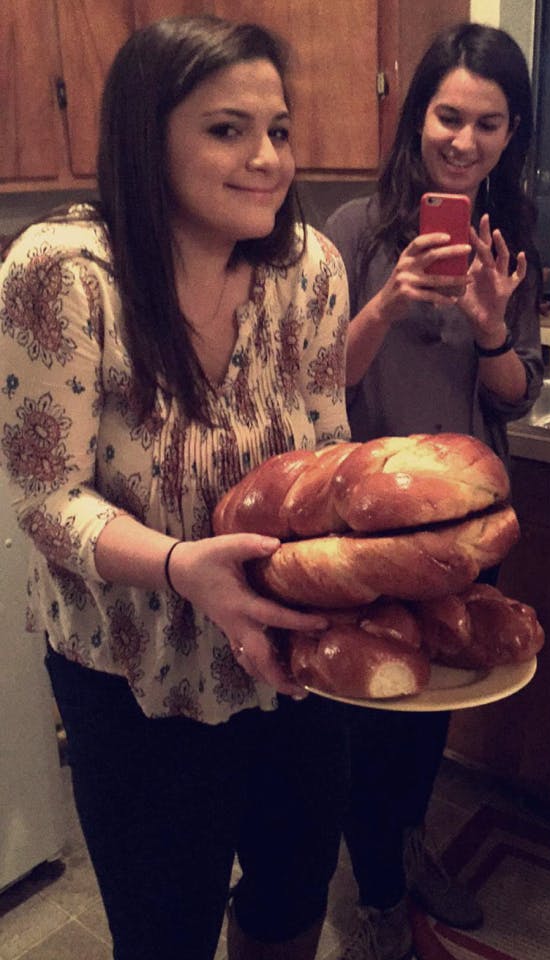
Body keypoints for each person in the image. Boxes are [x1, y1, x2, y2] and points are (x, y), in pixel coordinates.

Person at [0, 15, 352, 960]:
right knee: (165, 930)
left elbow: (327, 448)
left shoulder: (313, 270)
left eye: (278, 129)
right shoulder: (63, 274)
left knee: (290, 891)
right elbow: (46, 497)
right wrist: (181, 566)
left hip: (289, 652)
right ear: (144, 135)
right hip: (131, 673)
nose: (267, 158)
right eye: (226, 129)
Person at [324, 22, 544, 960]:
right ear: (418, 115)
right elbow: (316, 378)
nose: (465, 139)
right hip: (368, 519)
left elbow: (519, 394)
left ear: (513, 132)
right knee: (374, 714)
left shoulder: (512, 238)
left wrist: (493, 330)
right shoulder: (346, 233)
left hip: (463, 524)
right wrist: (388, 300)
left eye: (489, 123)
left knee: (434, 707)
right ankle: (376, 894)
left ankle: (407, 850)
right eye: (449, 116)